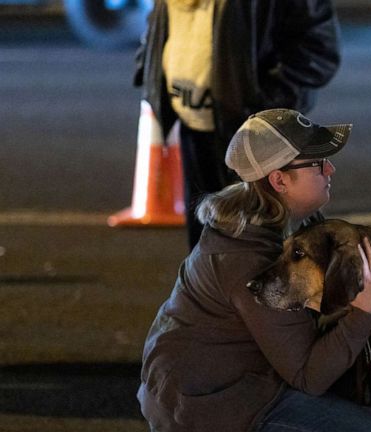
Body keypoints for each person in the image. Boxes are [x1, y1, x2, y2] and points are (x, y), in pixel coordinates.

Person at [138, 109, 371, 432]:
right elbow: (307, 375)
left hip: (207, 389)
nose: (329, 168)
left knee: (348, 397)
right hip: (204, 409)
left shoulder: (272, 221)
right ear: (279, 180)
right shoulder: (251, 259)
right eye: (316, 163)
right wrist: (363, 313)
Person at [134, 0, 342, 249]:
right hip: (193, 124)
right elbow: (160, 25)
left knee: (258, 238)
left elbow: (319, 47)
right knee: (205, 239)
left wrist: (269, 105)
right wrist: (149, 67)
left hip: (253, 130)